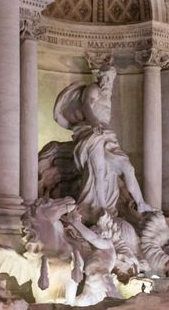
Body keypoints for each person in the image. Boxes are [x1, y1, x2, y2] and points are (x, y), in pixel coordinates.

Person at [53, 65, 153, 224]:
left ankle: (141, 204)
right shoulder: (93, 89)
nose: (107, 81)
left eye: (110, 78)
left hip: (106, 135)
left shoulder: (107, 94)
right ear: (99, 78)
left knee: (127, 167)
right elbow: (86, 105)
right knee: (98, 170)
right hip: (92, 133)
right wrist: (94, 123)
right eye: (104, 78)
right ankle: (100, 208)